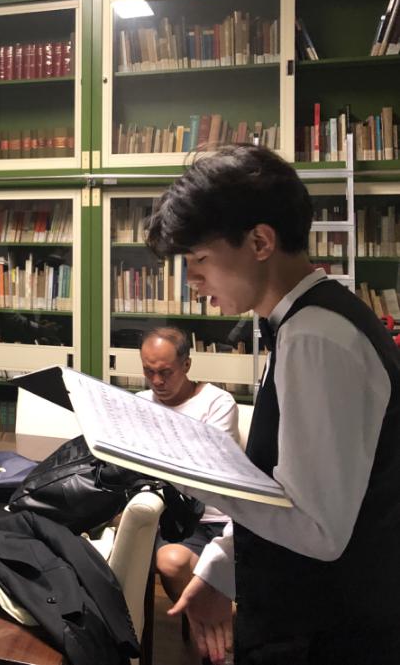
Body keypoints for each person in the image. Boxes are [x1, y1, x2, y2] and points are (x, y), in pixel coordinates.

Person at [145, 144, 400, 665]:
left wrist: (197, 477)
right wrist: (219, 564)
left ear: (260, 241)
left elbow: (318, 529)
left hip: (330, 634)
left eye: (200, 260)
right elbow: (286, 482)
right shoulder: (301, 322)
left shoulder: (315, 337)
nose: (192, 281)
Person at [137, 327, 239, 605]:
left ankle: (215, 620)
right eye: (148, 371)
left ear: (186, 365)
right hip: (168, 517)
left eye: (165, 372)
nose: (156, 381)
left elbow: (209, 465)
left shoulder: (216, 402)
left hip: (218, 518)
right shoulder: (139, 404)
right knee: (170, 561)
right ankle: (217, 620)